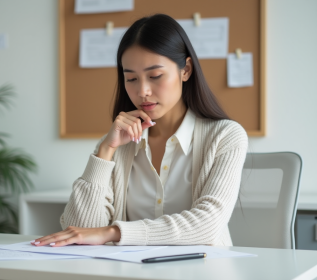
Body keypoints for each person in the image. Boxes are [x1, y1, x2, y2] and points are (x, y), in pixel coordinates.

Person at [32, 13, 248, 247]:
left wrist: (114, 232)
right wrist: (105, 150)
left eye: (155, 76)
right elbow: (81, 230)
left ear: (185, 70)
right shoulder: (118, 144)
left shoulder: (225, 136)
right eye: (131, 79)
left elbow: (208, 225)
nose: (142, 91)